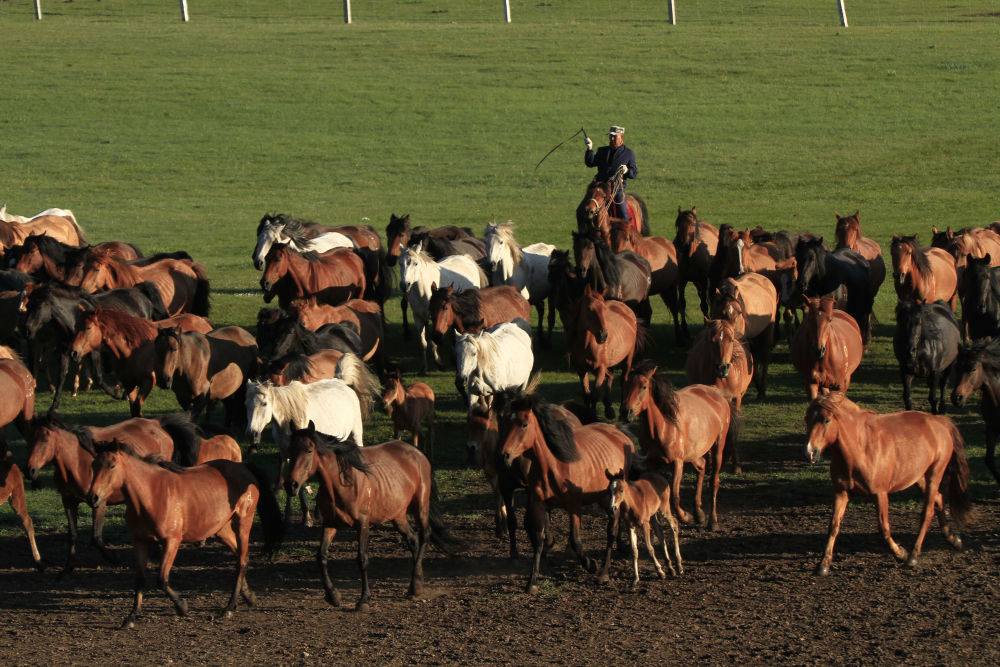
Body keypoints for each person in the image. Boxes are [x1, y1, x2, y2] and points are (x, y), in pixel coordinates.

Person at [584, 125, 636, 222]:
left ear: (621, 137)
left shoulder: (629, 153)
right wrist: (589, 149)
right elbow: (590, 163)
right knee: (583, 208)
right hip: (601, 188)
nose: (612, 139)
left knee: (622, 211)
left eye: (614, 136)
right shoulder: (602, 151)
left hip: (616, 189)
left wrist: (627, 170)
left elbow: (634, 174)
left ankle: (626, 230)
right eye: (610, 136)